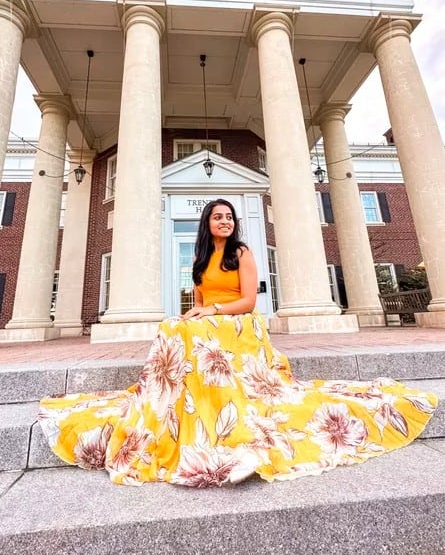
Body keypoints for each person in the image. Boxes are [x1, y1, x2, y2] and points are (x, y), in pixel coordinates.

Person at [39, 199, 437, 487]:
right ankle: (177, 401)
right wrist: (192, 315)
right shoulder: (198, 260)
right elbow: (197, 306)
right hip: (214, 325)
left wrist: (211, 313)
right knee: (175, 329)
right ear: (207, 223)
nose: (225, 221)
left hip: (243, 324)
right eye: (218, 216)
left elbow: (248, 301)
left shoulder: (242, 252)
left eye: (229, 217)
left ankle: (218, 403)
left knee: (196, 331)